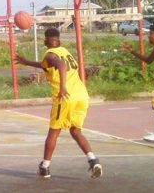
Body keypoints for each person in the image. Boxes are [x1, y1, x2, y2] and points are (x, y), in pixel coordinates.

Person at [15, 28, 102, 179]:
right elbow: (47, 65)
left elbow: (61, 65)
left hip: (65, 97)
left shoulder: (49, 54)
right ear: (59, 40)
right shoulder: (64, 51)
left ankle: (45, 167)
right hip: (81, 96)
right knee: (75, 131)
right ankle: (93, 160)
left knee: (54, 131)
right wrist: (26, 62)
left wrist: (62, 87)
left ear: (45, 41)